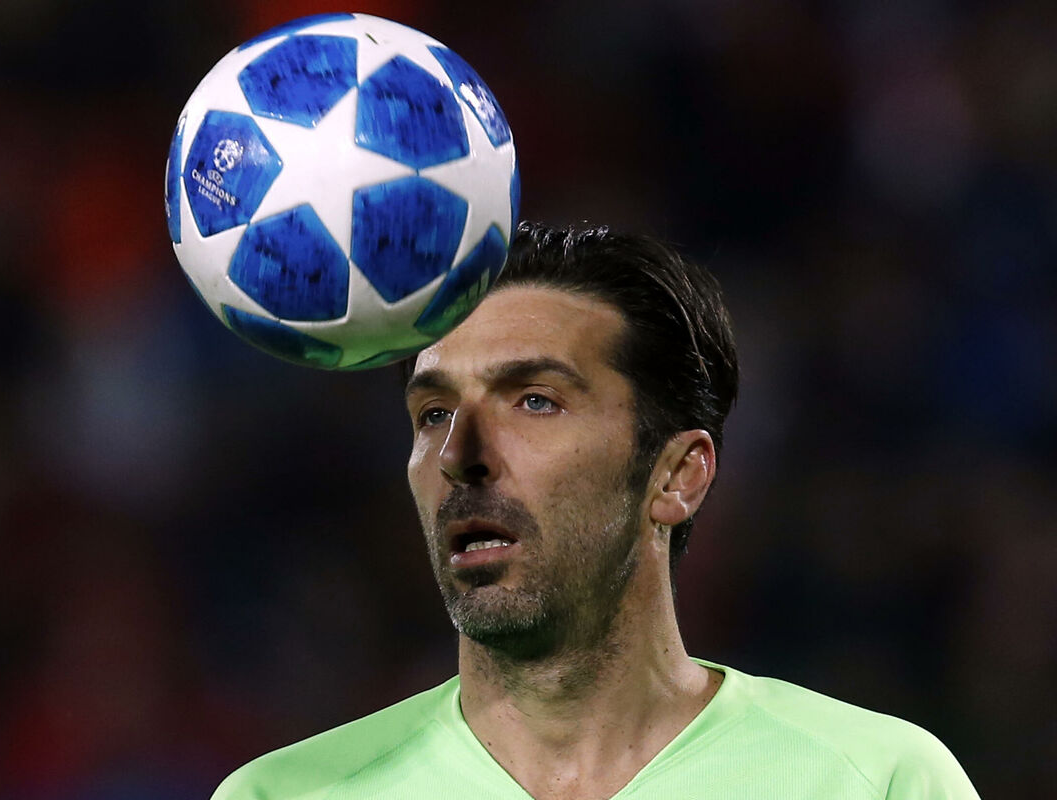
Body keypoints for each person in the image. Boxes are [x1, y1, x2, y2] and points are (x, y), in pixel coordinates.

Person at [211, 221, 980, 799]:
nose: (459, 453)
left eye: (535, 401)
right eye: (434, 413)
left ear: (677, 476)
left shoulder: (876, 781)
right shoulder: (285, 795)